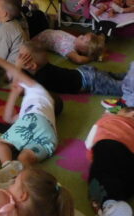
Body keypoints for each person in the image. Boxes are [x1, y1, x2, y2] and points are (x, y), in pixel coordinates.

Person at [0, 52, 58, 172]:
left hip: (34, 120)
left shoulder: (39, 91)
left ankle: (8, 167)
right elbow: (8, 118)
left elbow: (17, 76)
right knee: (23, 158)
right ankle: (24, 177)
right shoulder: (29, 111)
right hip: (49, 137)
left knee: (0, 144)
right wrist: (14, 93)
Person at [86, 62, 134, 216]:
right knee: (122, 177)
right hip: (126, 153)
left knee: (101, 175)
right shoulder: (109, 119)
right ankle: (115, 201)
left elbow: (89, 142)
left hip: (109, 145)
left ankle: (109, 202)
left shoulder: (107, 119)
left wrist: (92, 155)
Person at [16, 41, 130, 98]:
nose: (17, 59)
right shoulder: (38, 69)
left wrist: (17, 67)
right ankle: (130, 75)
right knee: (117, 76)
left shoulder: (42, 77)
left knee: (123, 89)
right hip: (84, 72)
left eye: (21, 57)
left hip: (91, 81)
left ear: (32, 66)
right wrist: (19, 67)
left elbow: (19, 90)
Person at [32, 29, 104, 64]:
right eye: (83, 35)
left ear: (82, 50)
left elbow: (78, 59)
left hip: (37, 40)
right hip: (46, 31)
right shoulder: (76, 41)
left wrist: (92, 58)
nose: (81, 35)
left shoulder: (69, 48)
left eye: (82, 39)